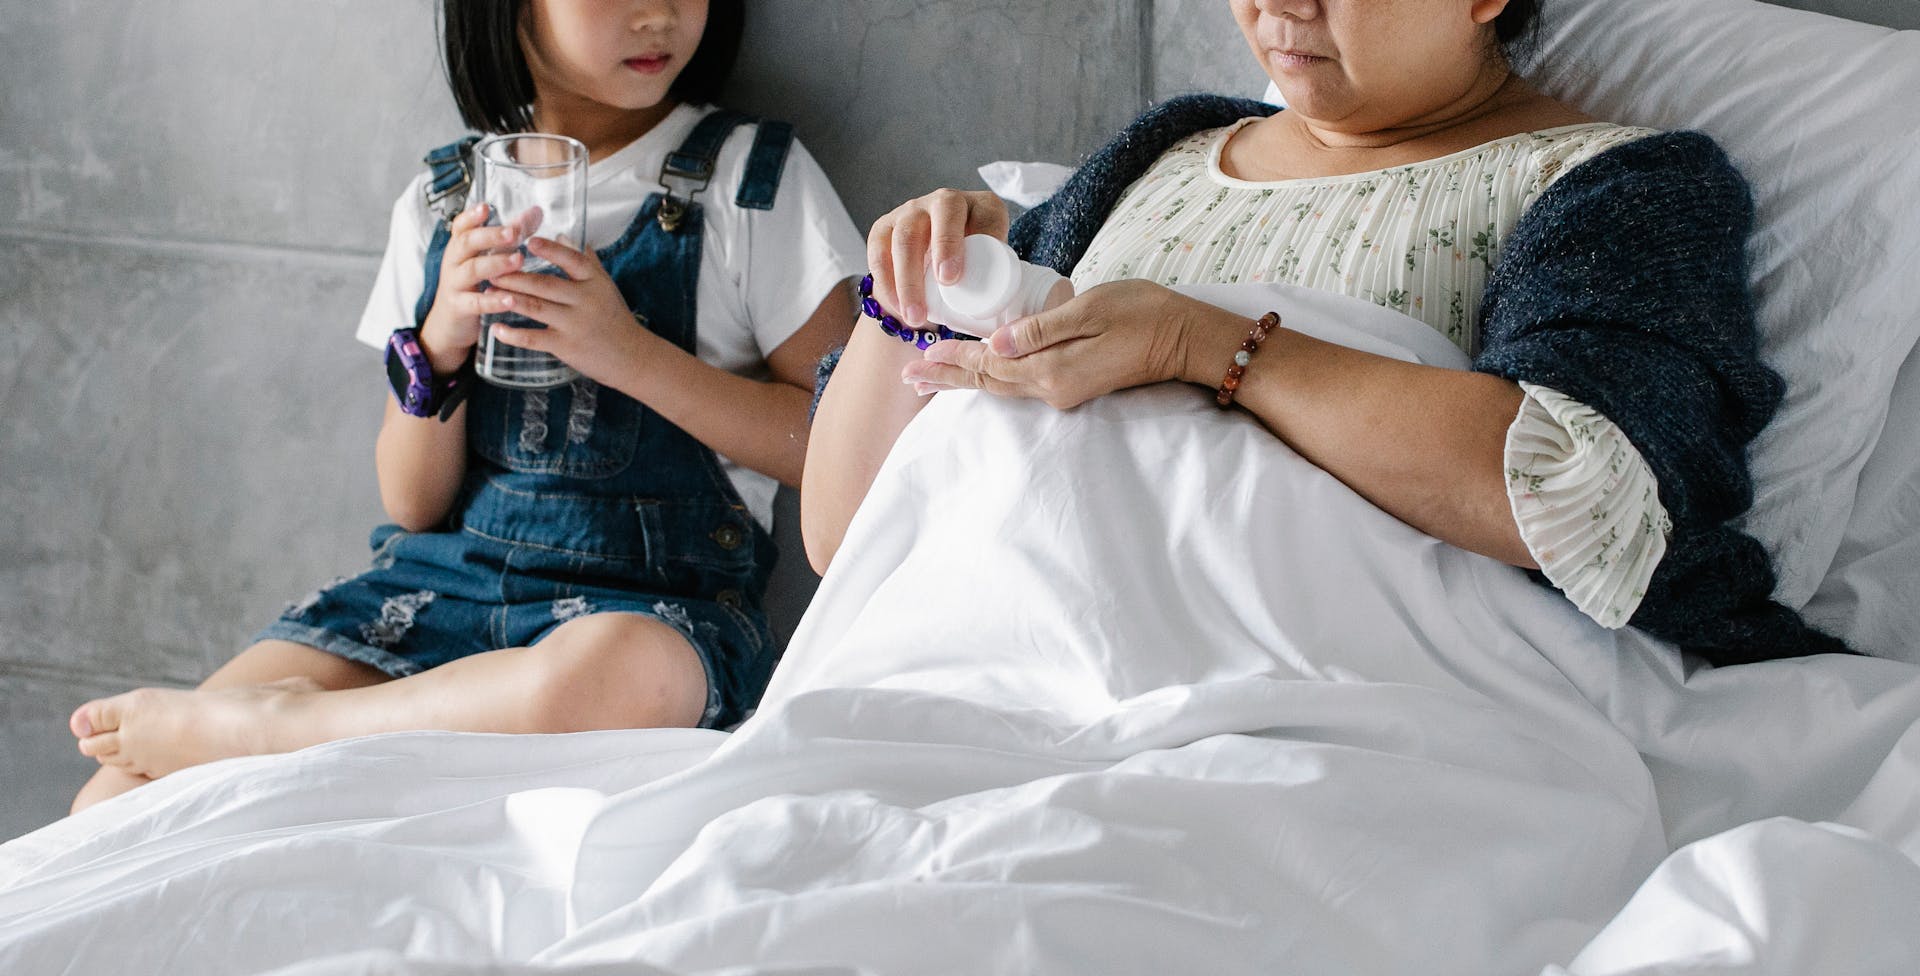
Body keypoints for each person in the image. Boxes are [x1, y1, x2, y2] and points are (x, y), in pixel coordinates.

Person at [805, 0, 1846, 666]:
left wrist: (1199, 345)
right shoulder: (1158, 157)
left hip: (1357, 693)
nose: (1279, 8)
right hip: (1022, 661)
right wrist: (900, 297)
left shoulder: (1614, 185)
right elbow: (849, 543)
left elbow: (1577, 500)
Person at [67, 0, 865, 813]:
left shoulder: (748, 181)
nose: (658, 14)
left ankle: (280, 733)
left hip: (647, 609)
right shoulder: (442, 202)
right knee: (108, 802)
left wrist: (629, 355)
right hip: (444, 592)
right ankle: (299, 725)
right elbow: (410, 503)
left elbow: (845, 452)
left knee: (611, 677)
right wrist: (441, 341)